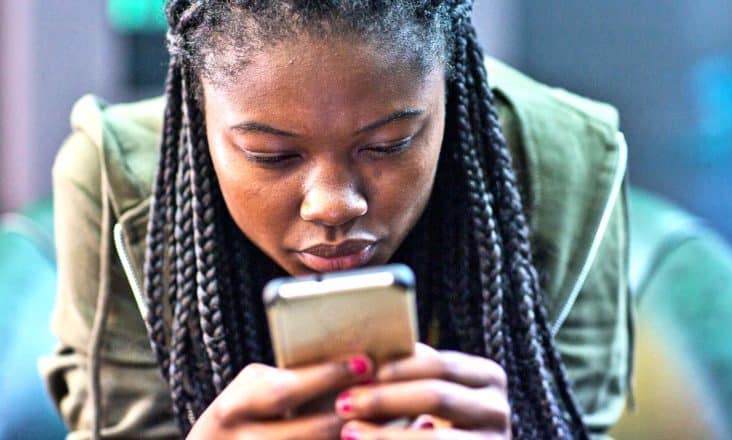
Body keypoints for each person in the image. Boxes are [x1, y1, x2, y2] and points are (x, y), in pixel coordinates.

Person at [42, 1, 632, 439]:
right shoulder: (116, 183)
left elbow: (575, 416)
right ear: (197, 106)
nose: (333, 206)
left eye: (389, 144)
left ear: (450, 85)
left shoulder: (571, 162)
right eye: (271, 155)